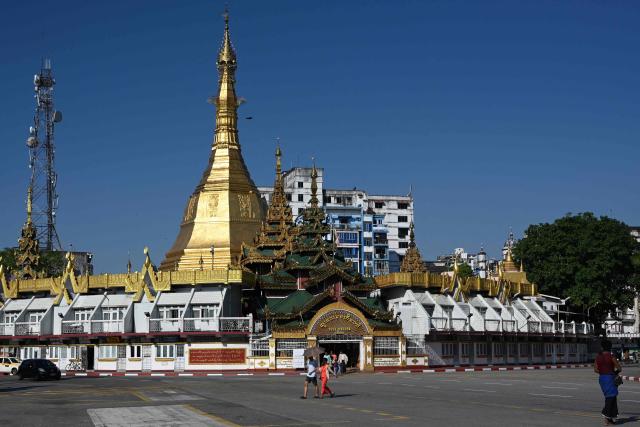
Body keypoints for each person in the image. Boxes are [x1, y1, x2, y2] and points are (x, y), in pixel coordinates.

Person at [594, 340, 622, 425]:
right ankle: (606, 415)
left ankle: (611, 418)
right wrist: (614, 372)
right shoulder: (611, 356)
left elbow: (595, 370)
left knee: (610, 397)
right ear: (610, 347)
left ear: (602, 347)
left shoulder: (598, 357)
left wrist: (603, 372)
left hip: (602, 379)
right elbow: (619, 368)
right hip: (610, 378)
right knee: (611, 397)